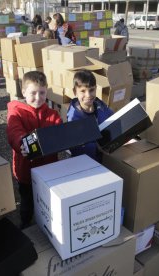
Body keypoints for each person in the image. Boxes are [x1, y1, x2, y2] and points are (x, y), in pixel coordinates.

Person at [6, 71, 62, 229]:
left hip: (48, 169)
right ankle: (25, 222)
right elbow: (14, 131)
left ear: (47, 92)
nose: (38, 97)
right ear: (23, 92)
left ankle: (47, 221)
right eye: (33, 93)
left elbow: (59, 132)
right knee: (27, 199)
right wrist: (21, 143)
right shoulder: (16, 112)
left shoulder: (53, 115)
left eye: (42, 93)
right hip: (26, 171)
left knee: (46, 198)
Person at [67, 70, 113, 162]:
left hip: (107, 154)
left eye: (91, 90)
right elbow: (76, 147)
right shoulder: (73, 117)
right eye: (83, 91)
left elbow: (112, 118)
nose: (88, 95)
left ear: (96, 89)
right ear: (75, 92)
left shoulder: (100, 105)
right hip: (86, 161)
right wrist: (97, 147)